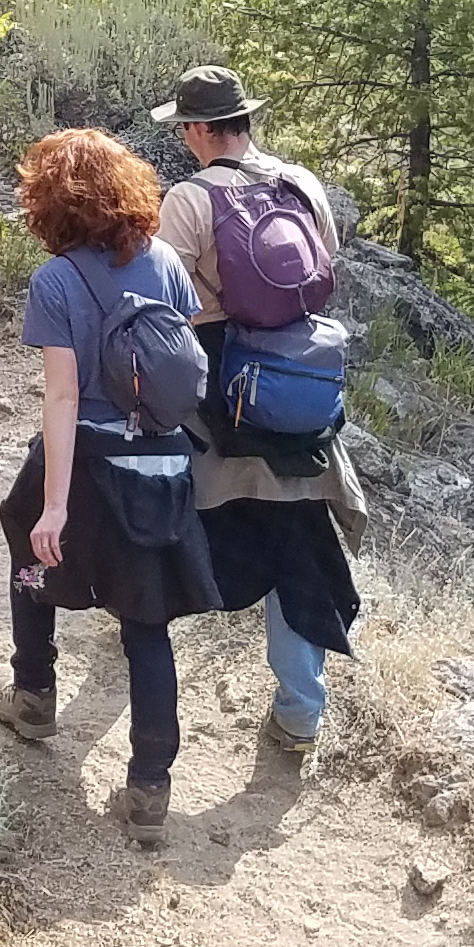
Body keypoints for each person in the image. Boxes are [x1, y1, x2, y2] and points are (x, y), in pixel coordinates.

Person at [0, 128, 221, 836]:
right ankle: (149, 791)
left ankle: (34, 693)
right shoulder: (167, 264)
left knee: (28, 551)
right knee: (146, 625)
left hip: (89, 464)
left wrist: (53, 505)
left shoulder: (56, 281)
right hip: (161, 465)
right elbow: (178, 369)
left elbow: (63, 399)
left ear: (49, 202)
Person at [150, 65, 368, 757]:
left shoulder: (188, 200)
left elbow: (166, 304)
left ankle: (137, 644)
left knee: (169, 510)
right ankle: (300, 712)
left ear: (196, 130)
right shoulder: (301, 184)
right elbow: (323, 273)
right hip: (301, 389)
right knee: (300, 541)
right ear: (246, 121)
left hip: (223, 392)